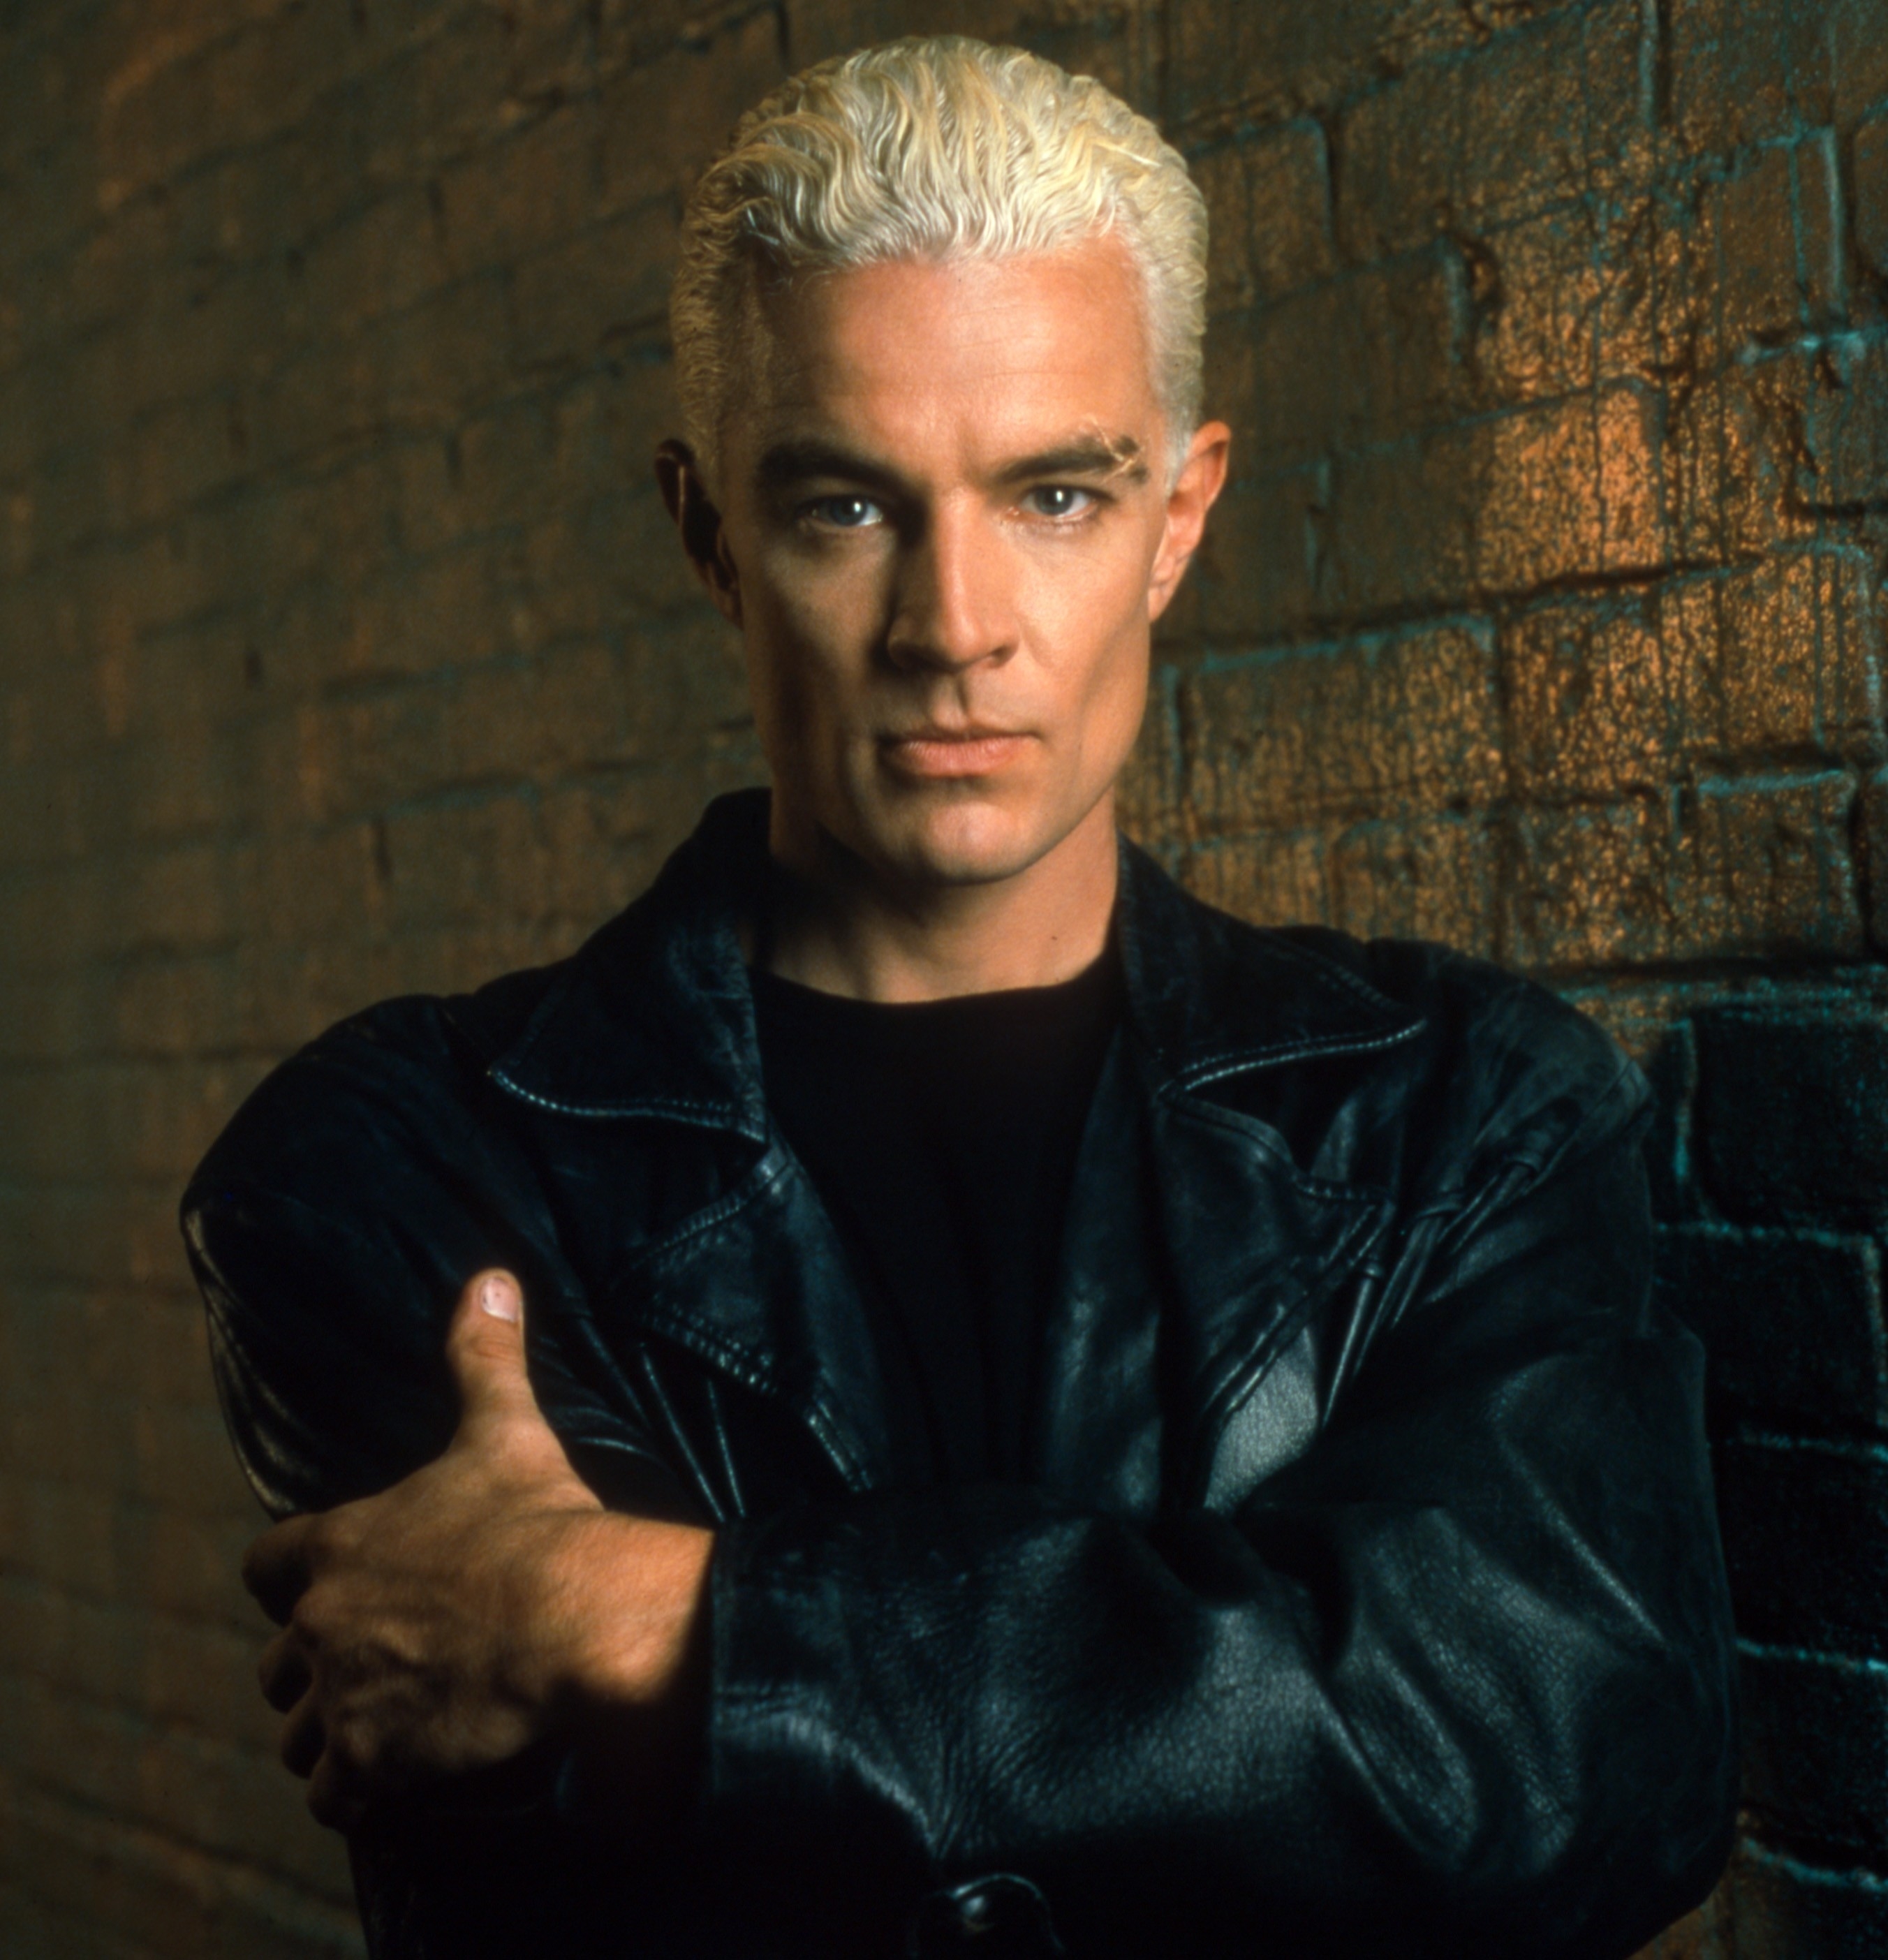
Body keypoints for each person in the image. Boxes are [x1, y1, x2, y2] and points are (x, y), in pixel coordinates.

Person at [182, 36, 1738, 1960]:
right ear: (708, 539)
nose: (955, 626)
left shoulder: (1460, 1125)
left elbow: (1570, 1764)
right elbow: (591, 1897)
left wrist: (681, 1632)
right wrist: (1257, 1712)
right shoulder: (403, 1163)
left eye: (1057, 497)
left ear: (1179, 518)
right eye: (846, 507)